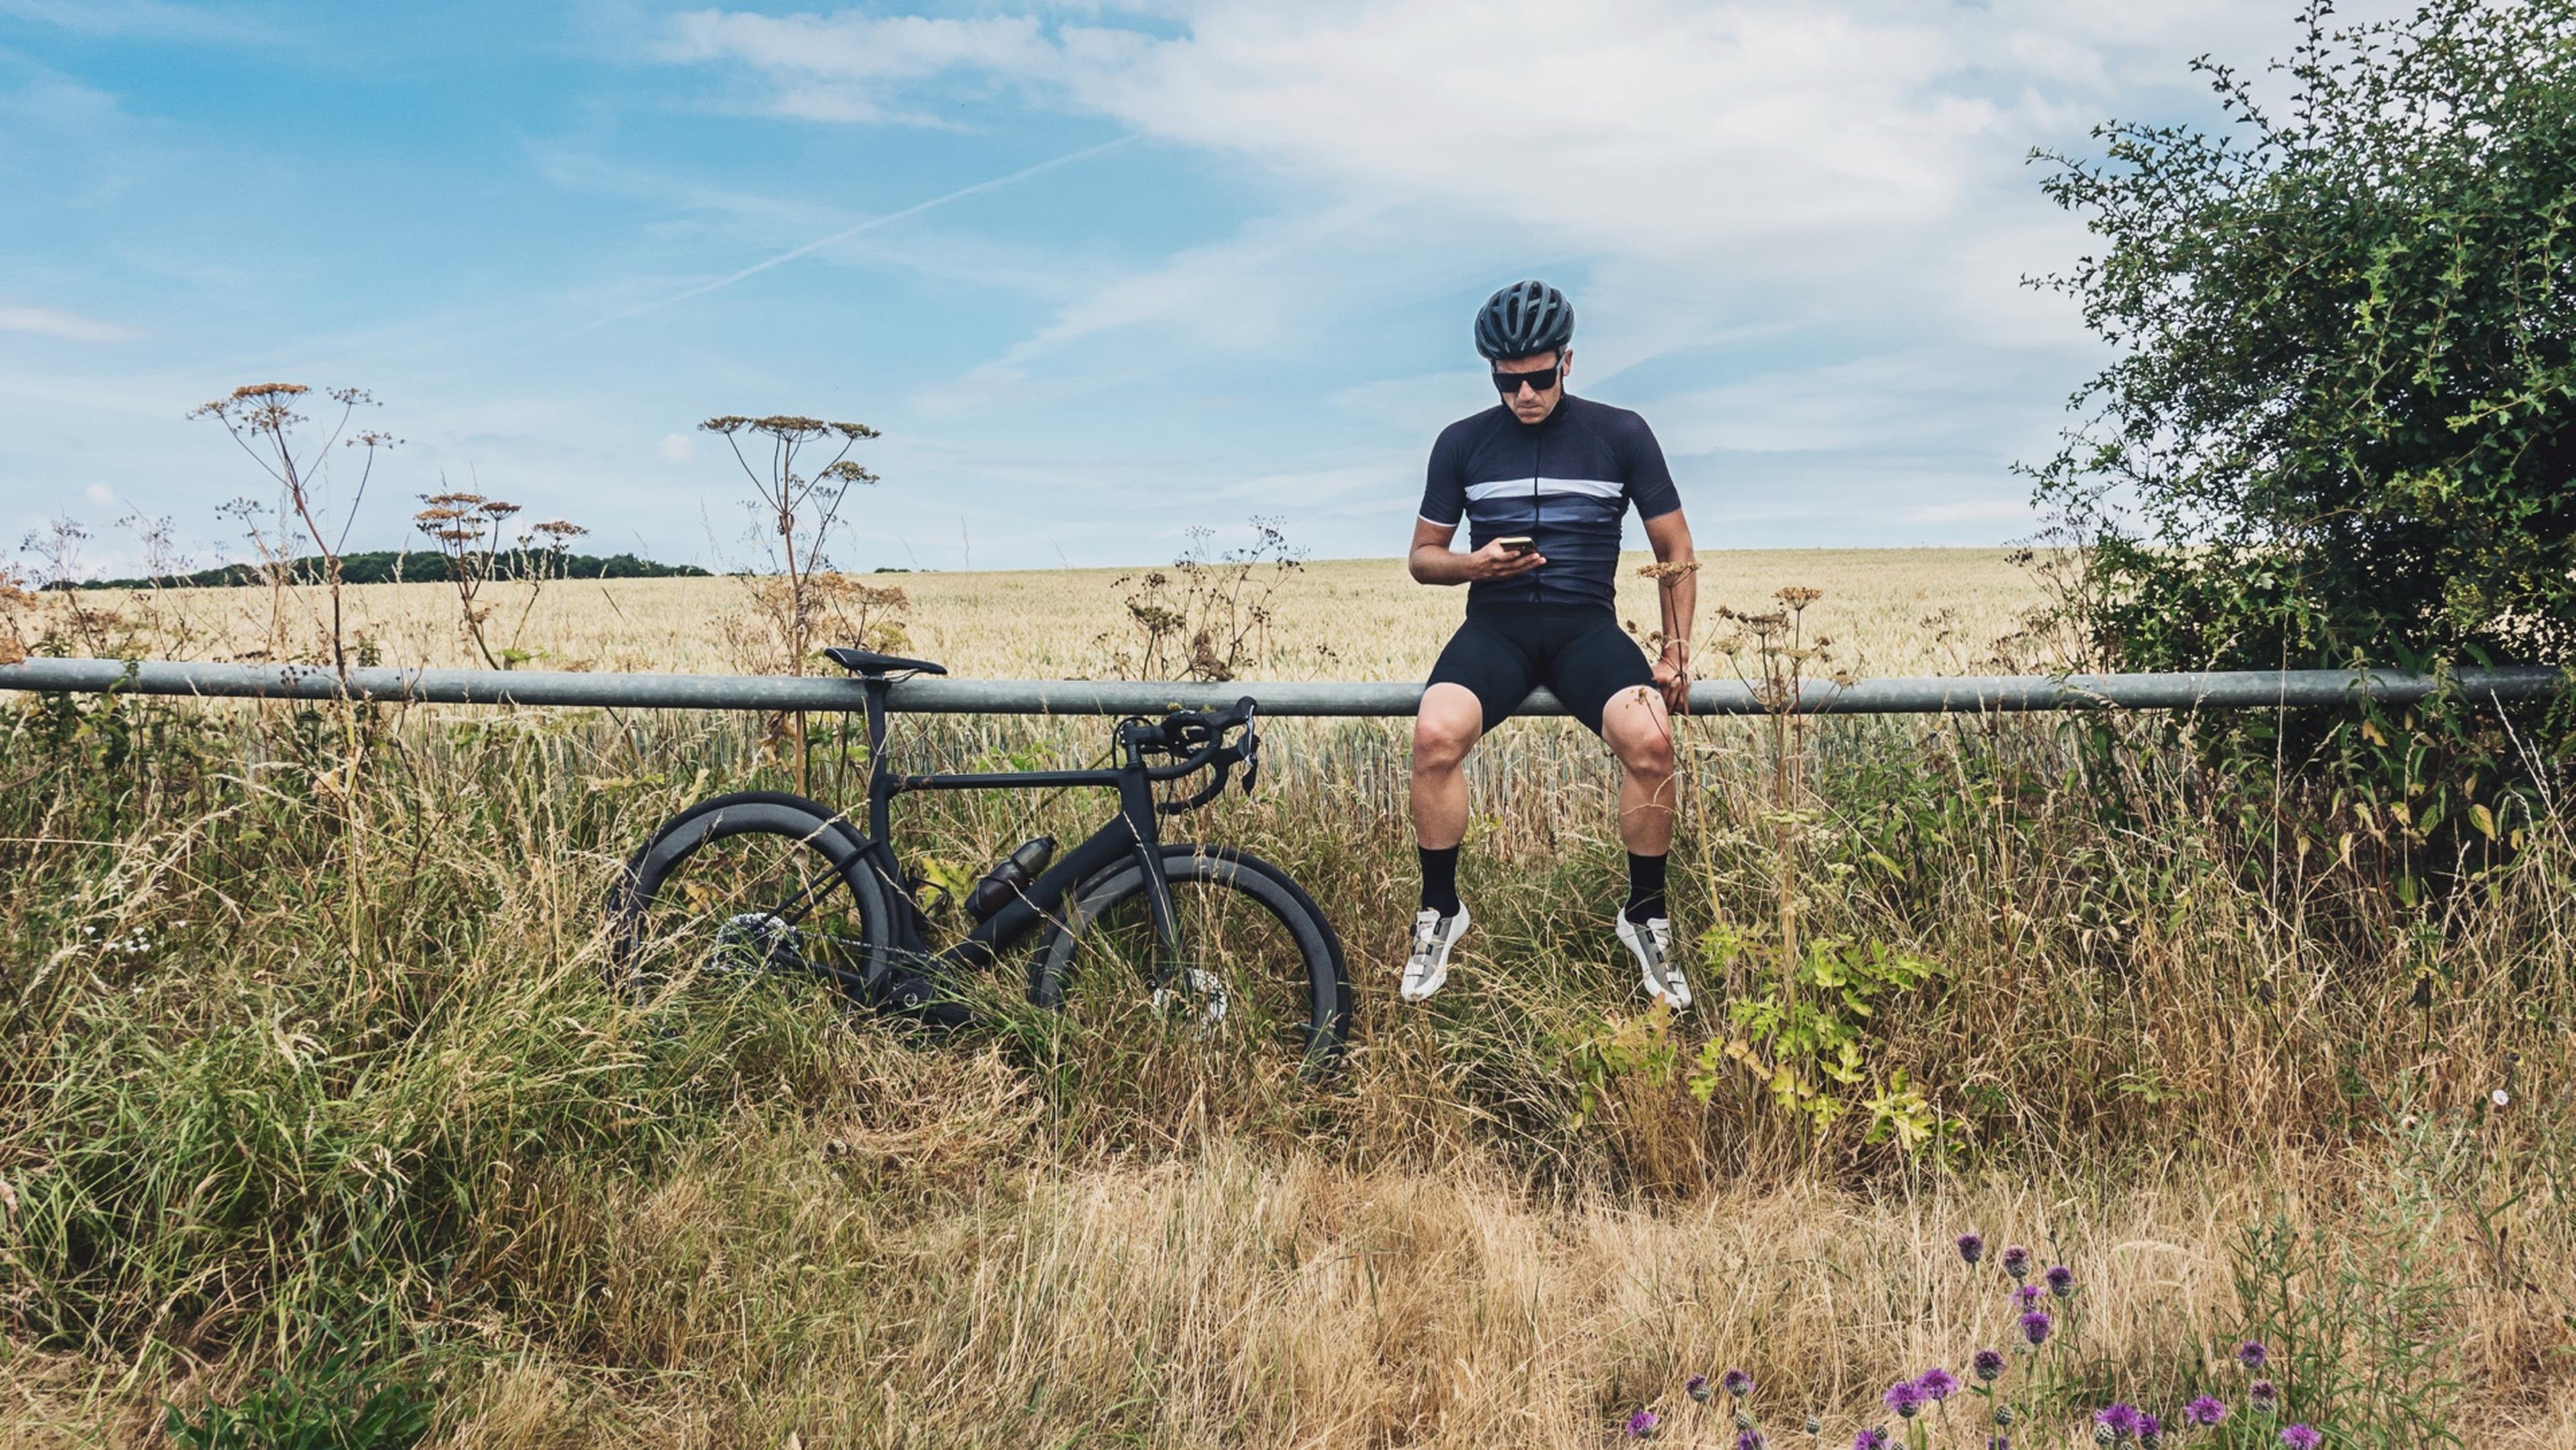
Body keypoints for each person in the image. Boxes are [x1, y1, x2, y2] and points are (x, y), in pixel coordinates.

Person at [1402, 280, 1698, 1009]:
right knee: (1434, 735)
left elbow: (1675, 546)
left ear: (1568, 361)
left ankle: (1646, 915)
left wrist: (1676, 650)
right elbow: (1421, 556)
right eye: (1508, 381)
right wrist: (1476, 564)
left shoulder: (1621, 433)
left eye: (1539, 376)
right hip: (1495, 630)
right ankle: (1441, 908)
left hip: (1585, 631)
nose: (1524, 394)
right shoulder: (1462, 442)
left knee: (1652, 741)